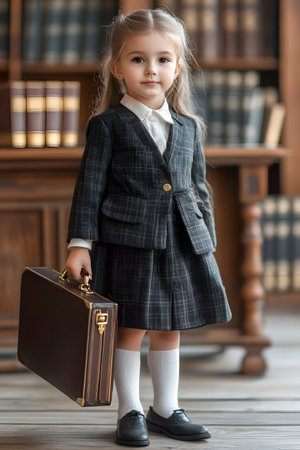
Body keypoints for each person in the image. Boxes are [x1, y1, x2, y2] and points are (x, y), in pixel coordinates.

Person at [65, 8, 231, 447]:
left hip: (179, 240)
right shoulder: (107, 126)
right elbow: (89, 188)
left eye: (163, 59)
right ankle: (130, 410)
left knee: (169, 326)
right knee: (129, 326)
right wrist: (80, 244)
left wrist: (205, 239)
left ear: (178, 67)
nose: (151, 69)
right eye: (138, 59)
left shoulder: (189, 128)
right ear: (117, 67)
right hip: (127, 242)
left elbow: (198, 188)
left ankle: (165, 407)